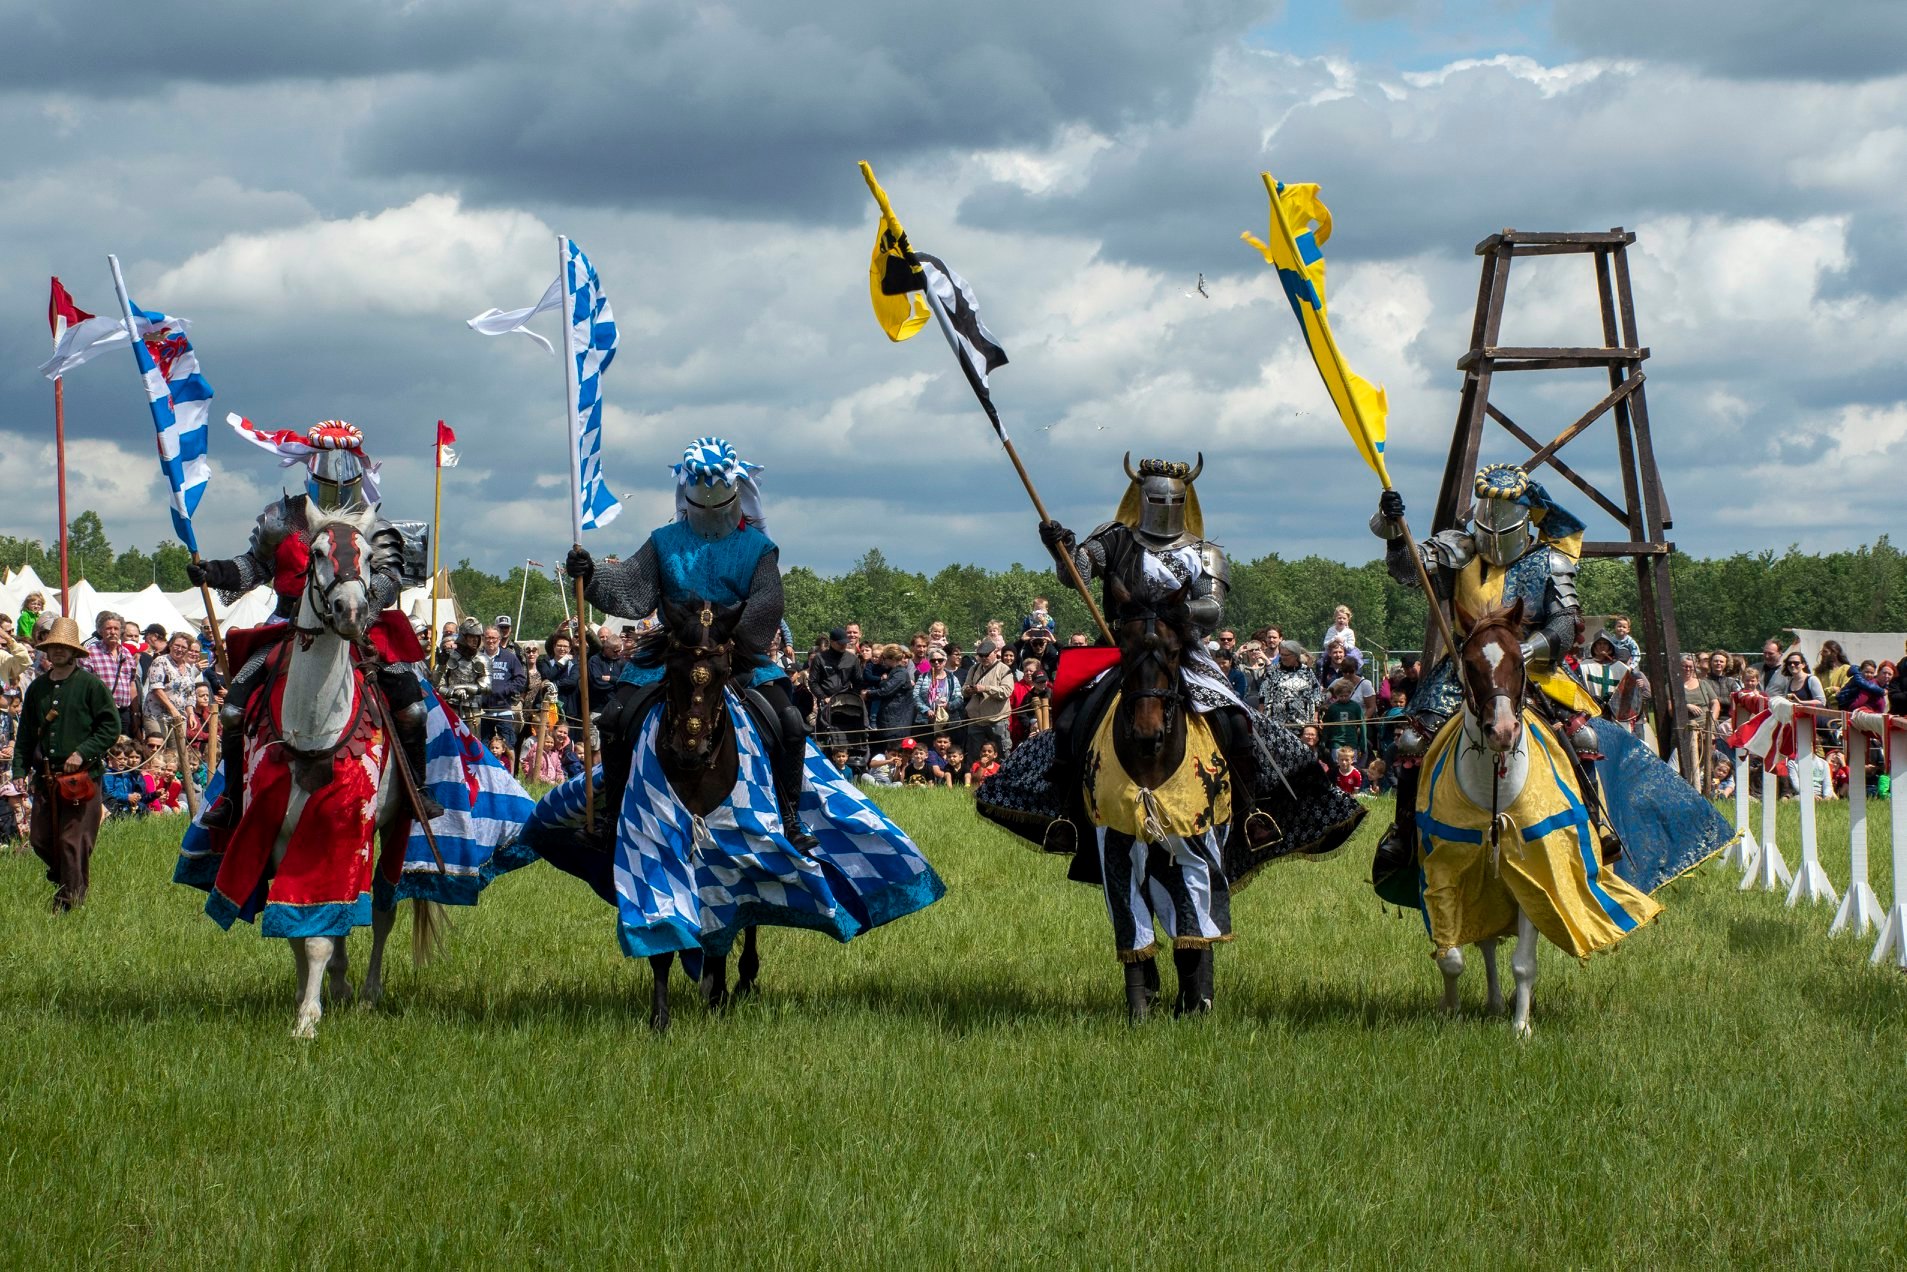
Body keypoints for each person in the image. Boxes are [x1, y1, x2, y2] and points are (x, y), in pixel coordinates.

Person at [565, 436, 818, 849]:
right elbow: (631, 584)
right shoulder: (664, 541)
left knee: (788, 720)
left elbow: (768, 602)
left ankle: (789, 818)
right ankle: (613, 817)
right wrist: (591, 573)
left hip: (738, 650)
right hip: (672, 649)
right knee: (614, 719)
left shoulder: (757, 548)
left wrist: (734, 637)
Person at [187, 419, 441, 827]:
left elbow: (390, 576)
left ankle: (415, 790)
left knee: (411, 706)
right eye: (328, 486)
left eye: (345, 485)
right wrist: (214, 572)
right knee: (234, 710)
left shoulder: (370, 522)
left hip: (359, 624)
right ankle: (232, 799)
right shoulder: (282, 518)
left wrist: (359, 610)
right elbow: (254, 567)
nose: (337, 492)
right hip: (288, 626)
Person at [1370, 464, 1605, 868]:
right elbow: (1408, 570)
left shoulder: (1547, 560)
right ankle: (1403, 833)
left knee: (1582, 737)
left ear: (1524, 513)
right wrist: (1393, 531)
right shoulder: (1459, 550)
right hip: (1466, 664)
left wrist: (1531, 648)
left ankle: (1595, 827)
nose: (1495, 522)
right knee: (1411, 741)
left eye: (1505, 511)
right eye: (1489, 509)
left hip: (1530, 664)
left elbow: (1565, 621)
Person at [1036, 452, 1267, 841]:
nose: (1165, 507)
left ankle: (1250, 811)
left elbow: (1213, 609)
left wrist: (1176, 613)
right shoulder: (1115, 539)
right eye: (1157, 499)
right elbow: (1076, 576)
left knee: (1235, 721)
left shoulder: (1204, 552)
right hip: (1120, 648)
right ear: (1140, 497)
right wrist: (1061, 548)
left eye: (1173, 500)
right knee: (1069, 718)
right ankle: (1065, 812)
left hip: (1181, 651)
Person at [10, 618, 120, 910]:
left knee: (74, 842)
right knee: (41, 839)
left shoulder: (91, 685)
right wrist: (19, 769)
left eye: (64, 646)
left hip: (82, 777)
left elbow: (110, 726)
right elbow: (26, 733)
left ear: (73, 651)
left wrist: (83, 752)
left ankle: (68, 904)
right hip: (46, 778)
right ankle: (68, 881)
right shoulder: (37, 688)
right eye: (53, 646)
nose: (58, 650)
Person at [81, 611, 141, 740]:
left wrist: (135, 713)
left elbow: (131, 684)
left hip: (123, 713)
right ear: (100, 631)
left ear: (121, 631)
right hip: (101, 712)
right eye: (108, 628)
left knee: (123, 749)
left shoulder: (126, 653)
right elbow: (84, 685)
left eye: (116, 628)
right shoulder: (90, 652)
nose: (113, 632)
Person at [478, 624, 527, 753]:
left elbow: (521, 679)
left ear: (499, 639)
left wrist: (505, 690)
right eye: (488, 637)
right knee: (484, 746)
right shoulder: (477, 658)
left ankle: (509, 767)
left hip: (504, 709)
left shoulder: (509, 657)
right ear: (483, 639)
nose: (491, 641)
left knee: (508, 746)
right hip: (483, 711)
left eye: (494, 638)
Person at [963, 638, 1014, 762]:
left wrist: (986, 688)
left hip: (997, 721)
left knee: (1002, 756)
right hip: (976, 721)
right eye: (981, 655)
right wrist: (968, 690)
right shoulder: (973, 668)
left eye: (986, 655)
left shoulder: (1004, 669)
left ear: (995, 652)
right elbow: (964, 688)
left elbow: (1006, 691)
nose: (983, 658)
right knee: (974, 756)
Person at [867, 644, 918, 756]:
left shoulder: (900, 673)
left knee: (894, 752)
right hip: (890, 721)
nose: (882, 660)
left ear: (892, 659)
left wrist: (868, 694)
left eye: (884, 658)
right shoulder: (892, 671)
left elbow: (886, 691)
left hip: (897, 724)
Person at [1260, 639, 1323, 728]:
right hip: (1279, 723)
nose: (1283, 657)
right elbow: (1262, 697)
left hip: (1303, 723)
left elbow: (1316, 695)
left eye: (1286, 655)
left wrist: (1315, 718)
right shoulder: (1272, 672)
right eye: (1281, 654)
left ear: (1295, 656)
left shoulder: (1307, 671)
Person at [439, 617, 491, 719]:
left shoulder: (483, 659)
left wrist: (461, 687)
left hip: (474, 711)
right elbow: (437, 684)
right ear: (463, 637)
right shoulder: (449, 656)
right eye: (472, 636)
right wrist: (452, 692)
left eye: (477, 637)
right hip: (450, 709)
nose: (475, 640)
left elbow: (486, 687)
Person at [1319, 678, 1364, 761]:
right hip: (1336, 742)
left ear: (1350, 693)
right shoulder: (1333, 708)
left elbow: (1362, 725)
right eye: (1341, 696)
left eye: (1346, 696)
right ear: (1337, 695)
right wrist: (1323, 741)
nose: (1343, 698)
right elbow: (1327, 727)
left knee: (1351, 764)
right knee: (1337, 764)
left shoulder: (1355, 707)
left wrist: (1363, 744)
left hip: (1351, 741)